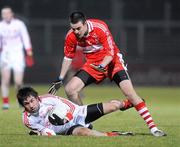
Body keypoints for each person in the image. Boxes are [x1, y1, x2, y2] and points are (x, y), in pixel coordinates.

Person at [48, 11, 166, 137]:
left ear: (85, 23)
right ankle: (84, 123)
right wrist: (60, 78)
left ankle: (153, 129)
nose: (76, 32)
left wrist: (102, 66)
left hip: (113, 62)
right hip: (93, 64)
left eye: (78, 28)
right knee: (70, 89)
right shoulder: (71, 36)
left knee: (130, 93)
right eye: (73, 28)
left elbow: (110, 53)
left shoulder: (100, 27)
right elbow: (68, 57)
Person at [17, 86, 134, 136]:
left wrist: (66, 118)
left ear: (37, 98)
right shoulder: (27, 119)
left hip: (78, 113)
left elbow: (71, 106)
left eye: (32, 101)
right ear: (23, 105)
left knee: (114, 107)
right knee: (86, 133)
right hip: (68, 129)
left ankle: (126, 103)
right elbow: (48, 132)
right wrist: (43, 133)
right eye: (26, 103)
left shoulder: (48, 99)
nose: (31, 105)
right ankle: (114, 134)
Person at [0, 6, 34, 109]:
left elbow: (25, 37)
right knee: (5, 80)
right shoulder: (0, 25)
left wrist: (29, 51)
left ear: (11, 14)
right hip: (5, 54)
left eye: (7, 13)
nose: (6, 15)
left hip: (18, 54)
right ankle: (5, 103)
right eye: (3, 13)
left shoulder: (19, 24)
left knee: (18, 82)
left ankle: (20, 100)